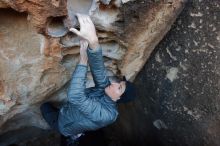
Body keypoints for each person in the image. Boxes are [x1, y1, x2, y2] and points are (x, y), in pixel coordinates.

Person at [40, 13, 136, 145]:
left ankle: (70, 137)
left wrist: (83, 60)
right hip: (68, 112)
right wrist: (94, 41)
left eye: (119, 87)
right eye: (119, 82)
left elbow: (75, 96)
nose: (114, 83)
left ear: (118, 98)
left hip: (63, 125)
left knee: (44, 107)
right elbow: (98, 69)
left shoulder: (107, 115)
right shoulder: (106, 90)